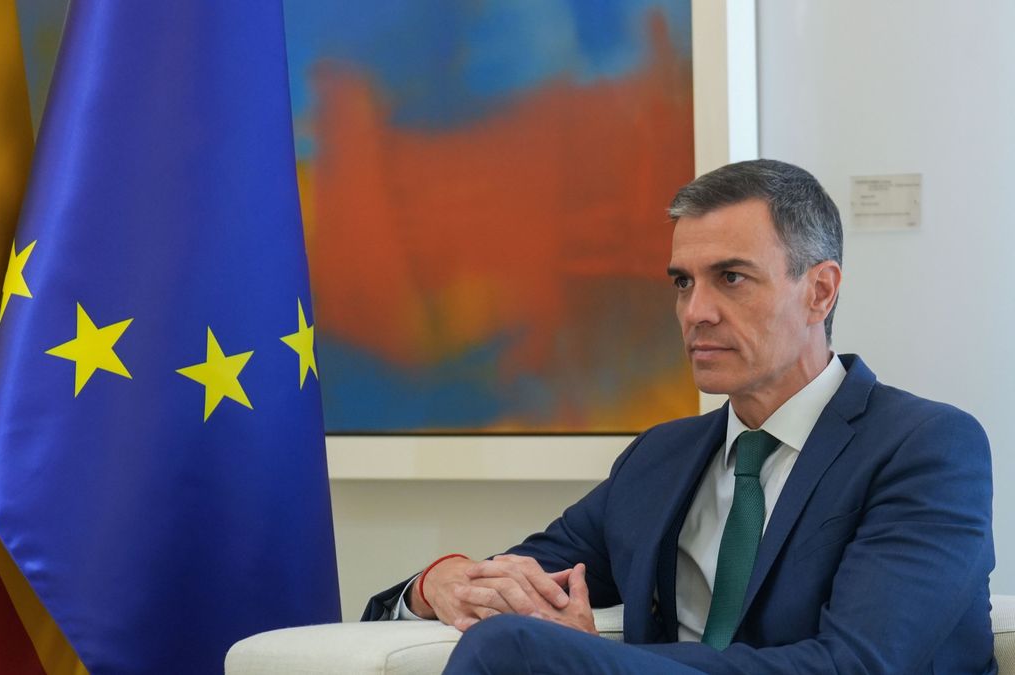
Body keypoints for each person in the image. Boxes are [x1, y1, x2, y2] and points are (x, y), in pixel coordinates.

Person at [363, 159, 996, 674]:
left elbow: (858, 665)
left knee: (509, 651)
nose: (696, 312)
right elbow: (523, 579)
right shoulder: (658, 459)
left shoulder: (926, 447)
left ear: (820, 291)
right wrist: (439, 581)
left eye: (730, 278)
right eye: (683, 283)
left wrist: (598, 661)